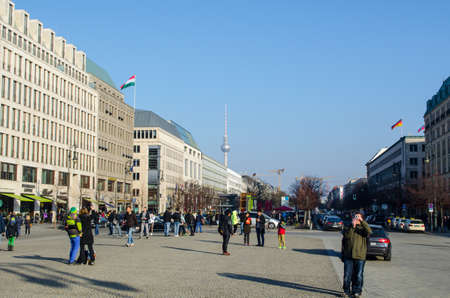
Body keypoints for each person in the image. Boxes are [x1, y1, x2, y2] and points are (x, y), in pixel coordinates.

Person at [341, 213, 372, 297]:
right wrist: (352, 226)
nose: (356, 218)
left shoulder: (363, 229)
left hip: (360, 256)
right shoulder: (348, 227)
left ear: (361, 219)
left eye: (358, 217)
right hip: (348, 256)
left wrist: (362, 222)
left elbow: (369, 231)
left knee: (358, 275)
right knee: (347, 275)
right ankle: (346, 291)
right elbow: (346, 236)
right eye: (355, 217)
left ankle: (357, 291)